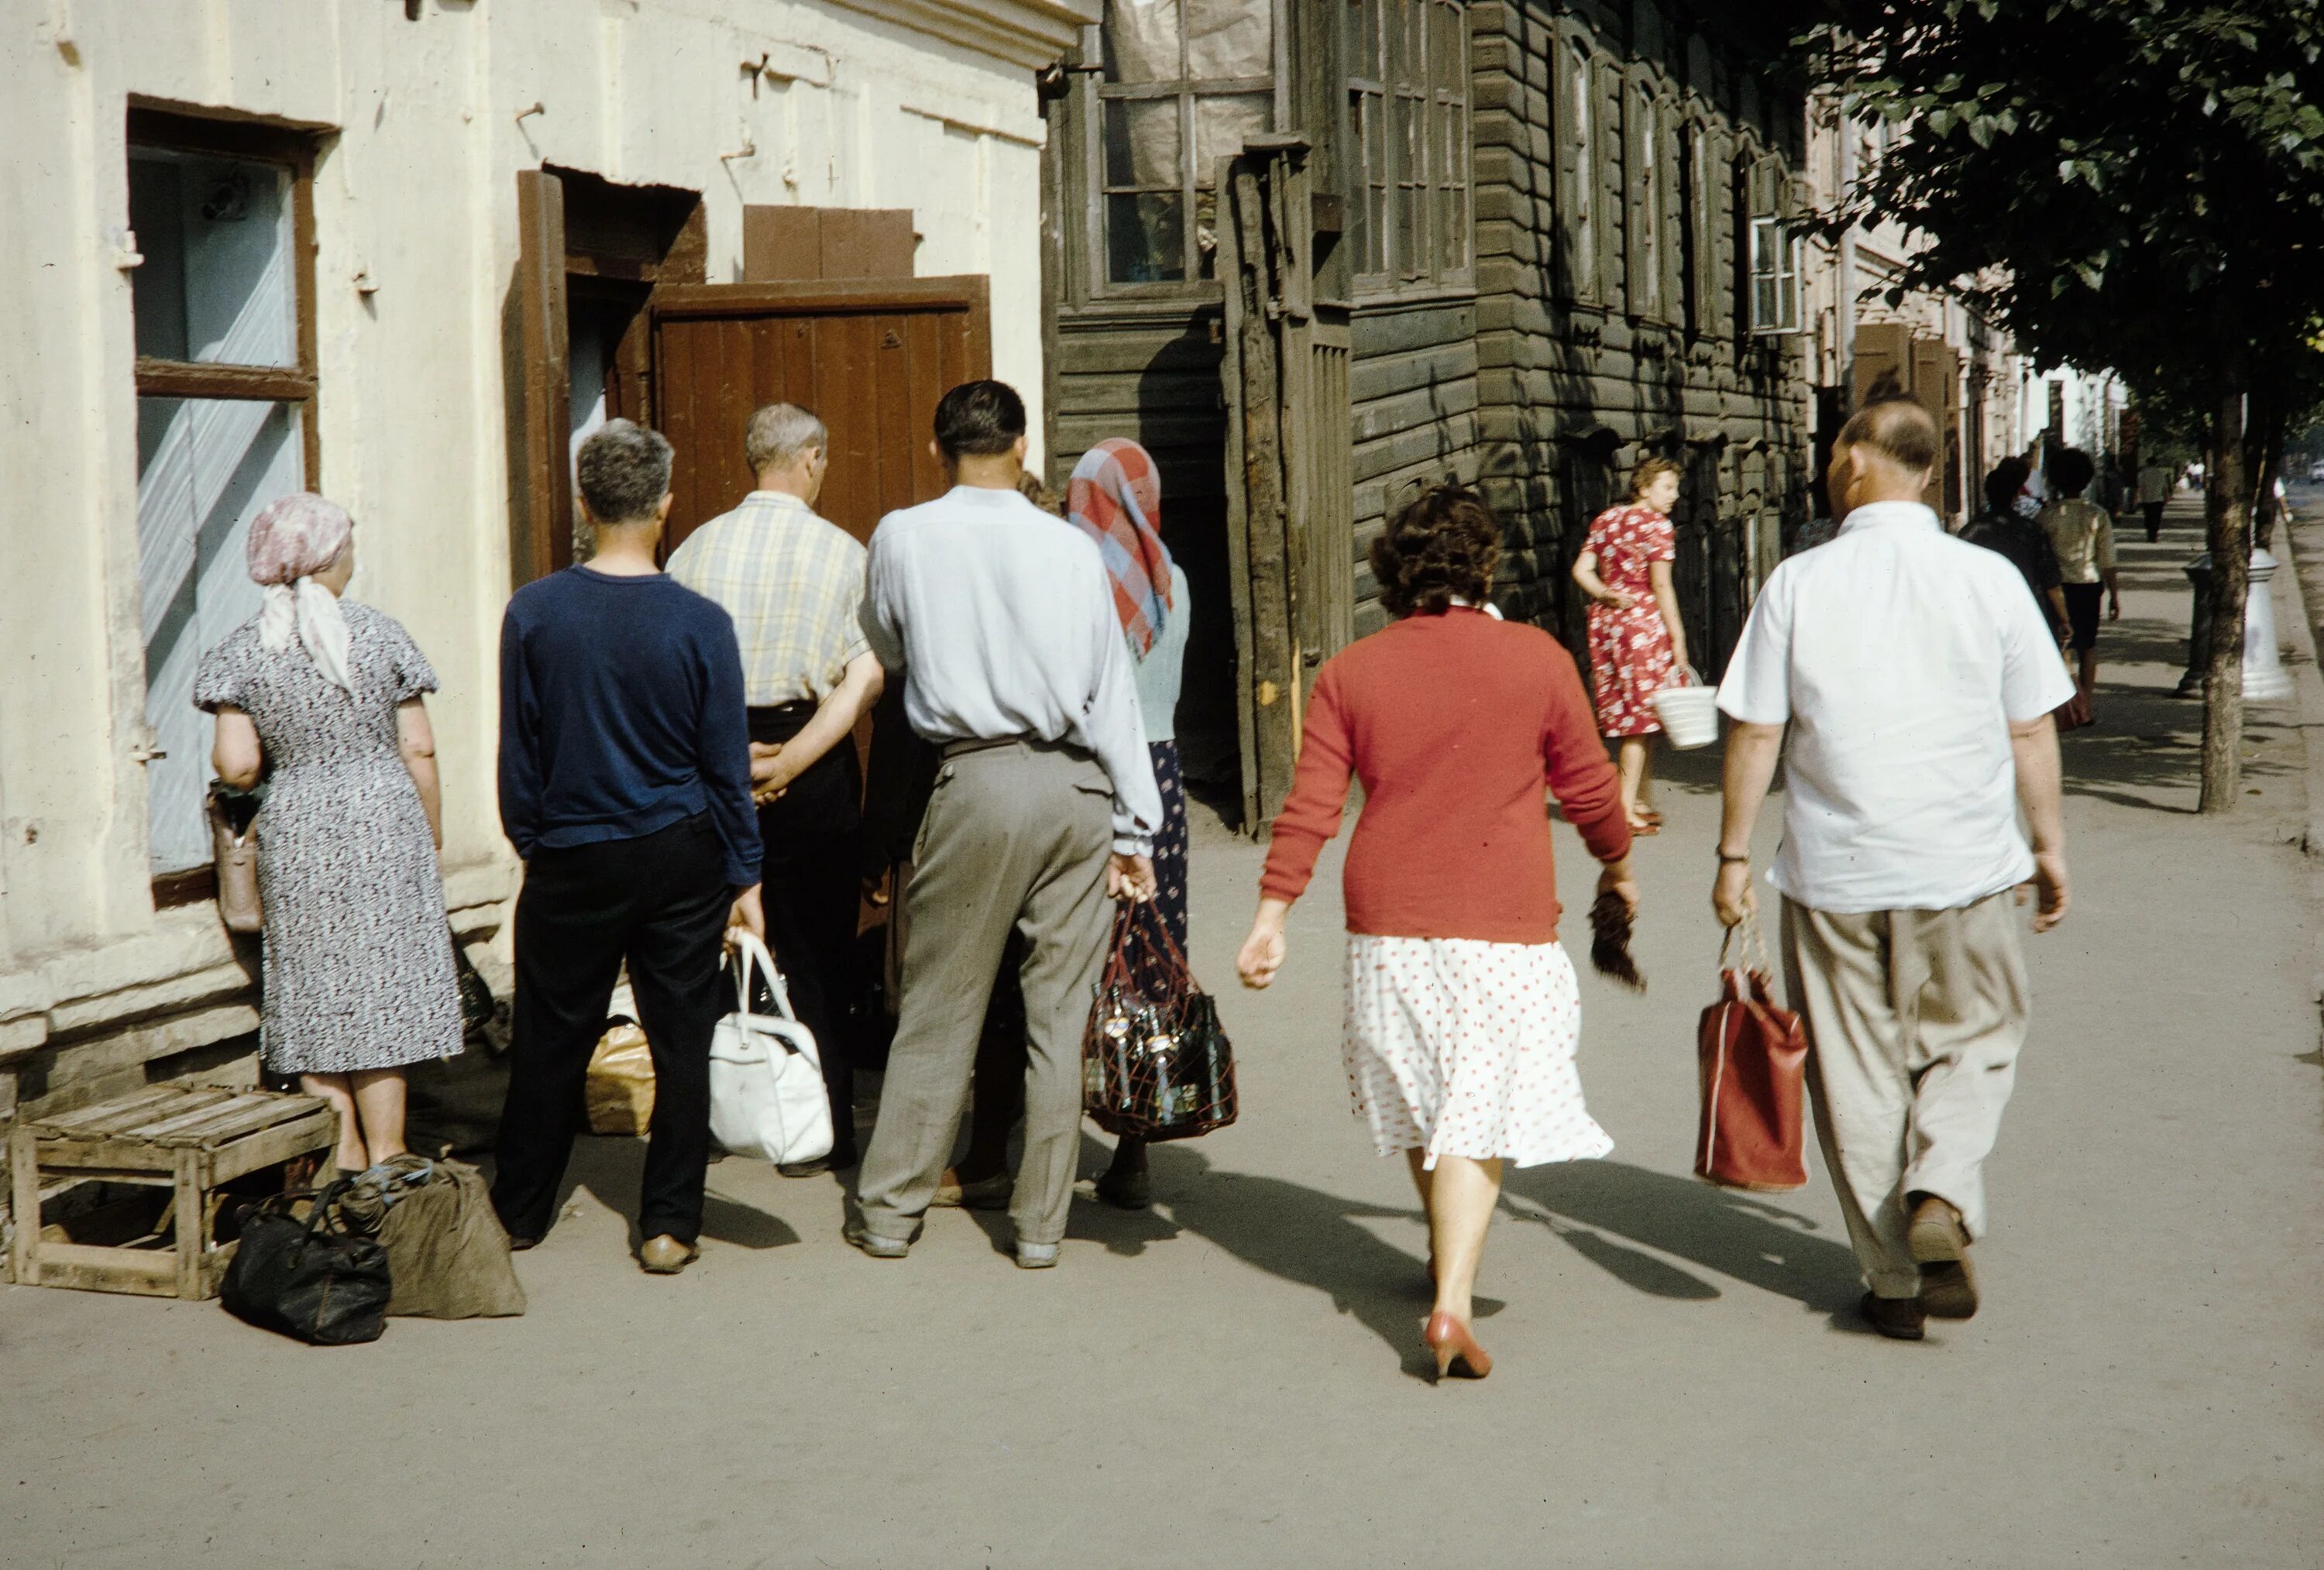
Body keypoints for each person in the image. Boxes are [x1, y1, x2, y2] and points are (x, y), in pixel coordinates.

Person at [1236, 483, 1637, 1381]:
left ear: (1392, 572)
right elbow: (1591, 792)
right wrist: (1616, 862)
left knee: (1429, 1095)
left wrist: (1272, 915)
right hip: (1501, 920)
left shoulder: (1352, 671)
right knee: (1475, 1107)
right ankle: (1451, 1303)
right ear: (1484, 564)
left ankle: (1442, 1249)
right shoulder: (1536, 659)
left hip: (1386, 922)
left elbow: (1309, 807)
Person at [1711, 393, 2072, 1342]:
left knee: (1858, 1075)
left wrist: (1733, 854)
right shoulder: (1988, 578)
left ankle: (1896, 1282)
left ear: (1866, 463)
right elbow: (2030, 723)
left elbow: (1756, 728)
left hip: (1837, 874)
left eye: (1838, 453)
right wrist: (2050, 845)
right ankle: (1943, 1189)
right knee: (1978, 1037)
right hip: (1966, 864)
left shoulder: (1799, 581)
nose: (1830, 468)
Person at [847, 380, 1161, 1271]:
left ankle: (889, 1210)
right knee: (1057, 1018)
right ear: (1022, 445)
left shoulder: (903, 533)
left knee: (942, 1002)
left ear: (940, 446)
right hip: (1079, 791)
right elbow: (1113, 697)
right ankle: (1040, 1229)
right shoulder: (1072, 550)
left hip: (976, 776)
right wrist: (1137, 830)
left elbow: (892, 646)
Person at [492, 419, 764, 1276]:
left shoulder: (533, 612)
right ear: (666, 505)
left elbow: (520, 749)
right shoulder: (701, 622)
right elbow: (725, 763)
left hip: (571, 850)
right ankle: (669, 1223)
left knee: (550, 1034)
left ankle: (519, 1210)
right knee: (682, 1035)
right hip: (679, 851)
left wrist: (534, 838)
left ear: (584, 503)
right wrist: (745, 869)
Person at [936, 438, 1191, 1215]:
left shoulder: (1066, 575)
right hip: (1163, 788)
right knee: (1141, 963)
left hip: (1082, 775)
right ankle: (1133, 1154)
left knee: (1034, 963)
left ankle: (989, 1153)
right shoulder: (1173, 578)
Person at [195, 493, 461, 1176]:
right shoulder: (378, 634)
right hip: (384, 820)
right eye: (346, 548)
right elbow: (419, 750)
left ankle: (341, 1164)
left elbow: (238, 764)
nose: (352, 560)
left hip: (301, 825)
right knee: (380, 991)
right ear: (326, 559)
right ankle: (391, 1155)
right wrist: (429, 834)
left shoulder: (242, 650)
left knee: (313, 992)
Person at [667, 403, 882, 1176]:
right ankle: (822, 1132)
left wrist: (724, 757)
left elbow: (673, 676)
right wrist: (792, 761)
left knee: (709, 943)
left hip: (709, 755)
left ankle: (713, 1118)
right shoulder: (842, 552)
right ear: (813, 458)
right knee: (819, 949)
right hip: (811, 759)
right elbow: (864, 676)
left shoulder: (693, 548)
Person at [1572, 455, 1690, 835]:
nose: (1674, 495)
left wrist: (1605, 594)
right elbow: (1660, 585)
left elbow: (1581, 570)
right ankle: (1624, 809)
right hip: (1642, 624)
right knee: (1641, 720)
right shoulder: (1658, 526)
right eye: (1667, 487)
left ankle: (1639, 798)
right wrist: (1678, 636)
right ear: (1644, 487)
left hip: (1607, 624)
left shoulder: (1606, 519)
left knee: (1634, 712)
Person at [2037, 447, 2120, 715]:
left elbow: (2040, 555)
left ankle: (2066, 705)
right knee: (2088, 646)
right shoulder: (2097, 515)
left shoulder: (2048, 515)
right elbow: (2107, 560)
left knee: (2063, 645)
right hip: (2089, 585)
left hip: (2057, 588)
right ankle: (2087, 705)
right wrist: (2115, 595)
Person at [1960, 456, 2071, 642]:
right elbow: (2050, 581)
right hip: (2026, 614)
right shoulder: (2031, 530)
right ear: (2016, 495)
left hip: (1983, 616)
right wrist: (2064, 619)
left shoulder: (1971, 531)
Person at [2137, 457, 2174, 542]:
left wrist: (2138, 497)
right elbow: (2164, 487)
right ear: (2156, 463)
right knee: (2156, 517)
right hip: (2157, 499)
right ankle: (2154, 534)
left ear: (2147, 463)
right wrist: (2166, 497)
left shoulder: (2142, 474)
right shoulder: (2160, 473)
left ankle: (2150, 535)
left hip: (2146, 498)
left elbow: (2140, 486)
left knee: (2148, 516)